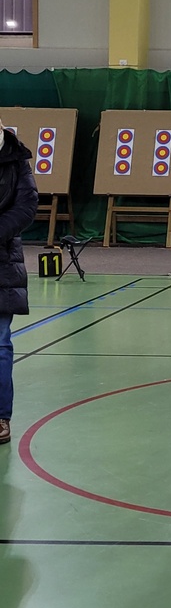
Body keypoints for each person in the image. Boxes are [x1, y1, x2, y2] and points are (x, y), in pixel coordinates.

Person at [0, 121, 39, 446]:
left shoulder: (16, 160)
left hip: (2, 262)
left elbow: (26, 206)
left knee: (0, 343)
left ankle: (1, 417)